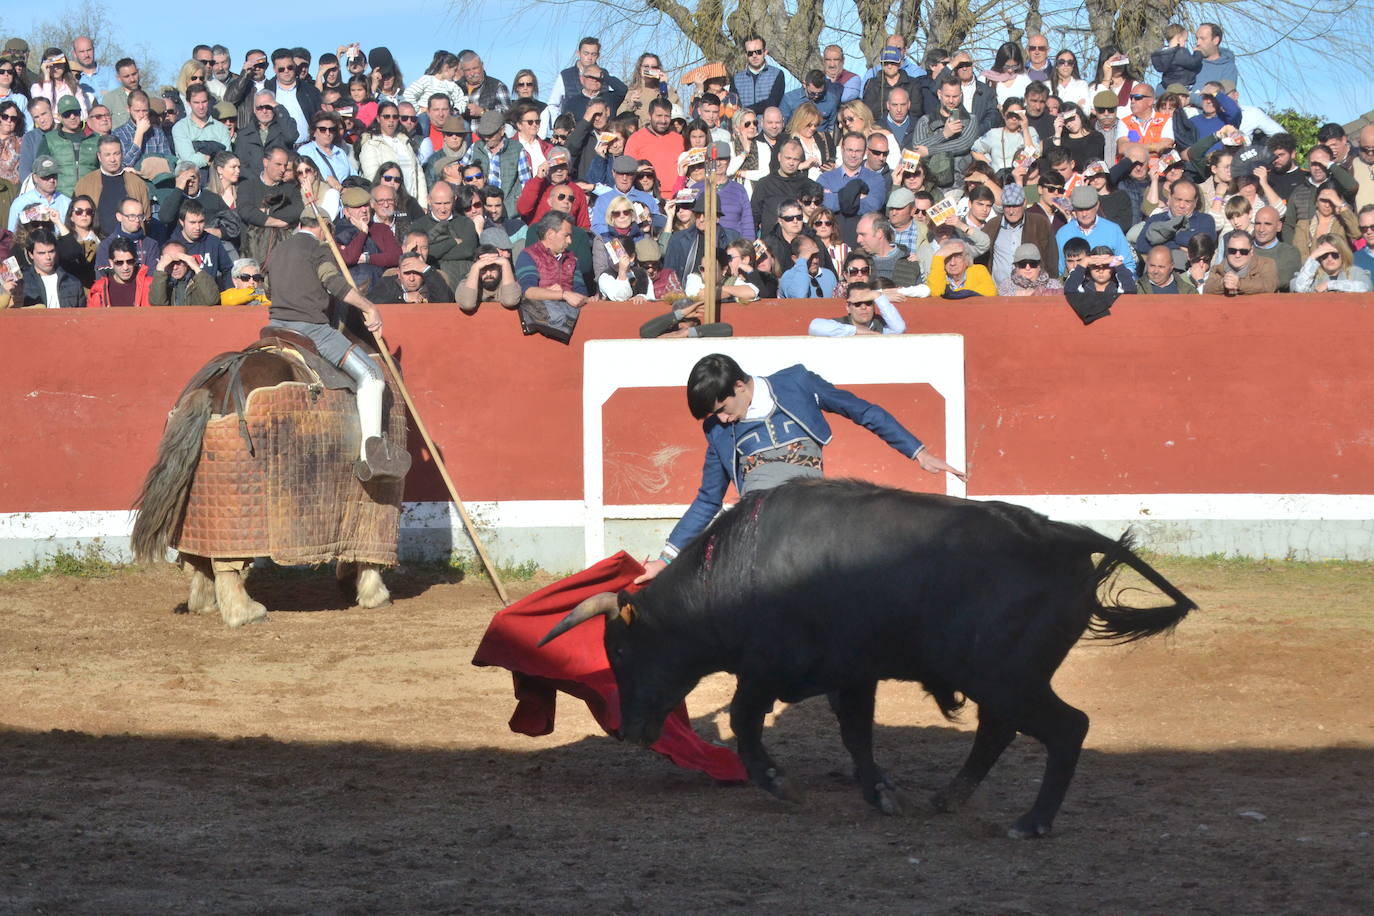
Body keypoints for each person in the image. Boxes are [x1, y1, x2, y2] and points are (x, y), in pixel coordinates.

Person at [635, 353, 966, 583]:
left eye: (722, 409)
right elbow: (708, 500)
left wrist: (917, 452)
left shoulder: (797, 383)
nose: (721, 420)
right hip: (759, 530)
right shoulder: (718, 430)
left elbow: (862, 410)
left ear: (739, 386)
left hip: (813, 516)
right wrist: (665, 559)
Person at [266, 209, 406, 482]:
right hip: (311, 329)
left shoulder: (279, 249)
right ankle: (371, 458)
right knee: (373, 376)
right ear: (324, 228)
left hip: (275, 326)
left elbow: (270, 290)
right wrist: (369, 307)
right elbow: (334, 285)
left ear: (299, 224)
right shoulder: (318, 249)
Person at [516, 210, 587, 343]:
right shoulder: (527, 255)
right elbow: (528, 292)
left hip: (568, 325)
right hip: (541, 327)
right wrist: (563, 294)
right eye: (566, 235)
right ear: (550, 234)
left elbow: (581, 293)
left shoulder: (572, 259)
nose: (570, 241)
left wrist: (574, 296)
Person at [3, 228, 84, 307]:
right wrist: (5, 292)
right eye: (41, 253)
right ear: (31, 254)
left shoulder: (73, 283)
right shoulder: (20, 282)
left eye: (51, 251)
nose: (48, 257)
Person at [808, 282, 906, 335]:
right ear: (848, 307)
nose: (863, 307)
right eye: (857, 303)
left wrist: (878, 296)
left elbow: (899, 329)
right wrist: (856, 331)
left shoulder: (880, 326)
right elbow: (814, 326)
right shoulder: (840, 324)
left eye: (868, 302)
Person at [1202, 230, 1277, 295]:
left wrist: (1239, 284)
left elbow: (1269, 286)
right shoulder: (1217, 269)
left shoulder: (1266, 264)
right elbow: (1207, 289)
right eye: (1232, 251)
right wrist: (1223, 283)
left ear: (1251, 251)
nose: (1237, 255)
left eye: (1243, 251)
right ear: (1227, 250)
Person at [1290, 234, 1373, 293]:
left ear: (1343, 255)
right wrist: (1312, 257)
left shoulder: (1355, 272)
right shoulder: (1310, 275)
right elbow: (1298, 289)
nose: (1329, 258)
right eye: (1324, 255)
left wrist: (1330, 285)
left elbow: (1366, 288)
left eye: (1334, 254)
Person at [87, 236, 153, 307]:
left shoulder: (149, 285)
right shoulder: (99, 288)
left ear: (135, 261)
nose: (125, 267)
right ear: (111, 262)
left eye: (130, 261)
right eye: (119, 262)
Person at [148, 239, 219, 305]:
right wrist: (160, 268)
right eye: (170, 263)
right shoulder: (161, 282)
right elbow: (157, 304)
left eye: (179, 262)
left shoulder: (199, 280)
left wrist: (196, 268)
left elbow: (212, 300)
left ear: (187, 260)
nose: (175, 267)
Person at [926, 238, 996, 297]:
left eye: (958, 257)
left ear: (967, 259)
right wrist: (938, 256)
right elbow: (935, 293)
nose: (952, 263)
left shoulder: (979, 270)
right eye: (948, 258)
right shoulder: (938, 273)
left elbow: (991, 292)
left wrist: (952, 293)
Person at [1064, 245, 1137, 295]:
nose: (1101, 271)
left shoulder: (1118, 285)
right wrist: (1084, 262)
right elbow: (1070, 290)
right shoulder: (1083, 285)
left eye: (1106, 267)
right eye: (1096, 267)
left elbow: (1130, 291)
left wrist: (1118, 263)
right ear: (1089, 267)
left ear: (1113, 268)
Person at [996, 242, 1064, 295]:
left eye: (1032, 263)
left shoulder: (1054, 285)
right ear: (1016, 266)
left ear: (1039, 266)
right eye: (1022, 264)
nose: (1027, 268)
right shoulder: (1006, 285)